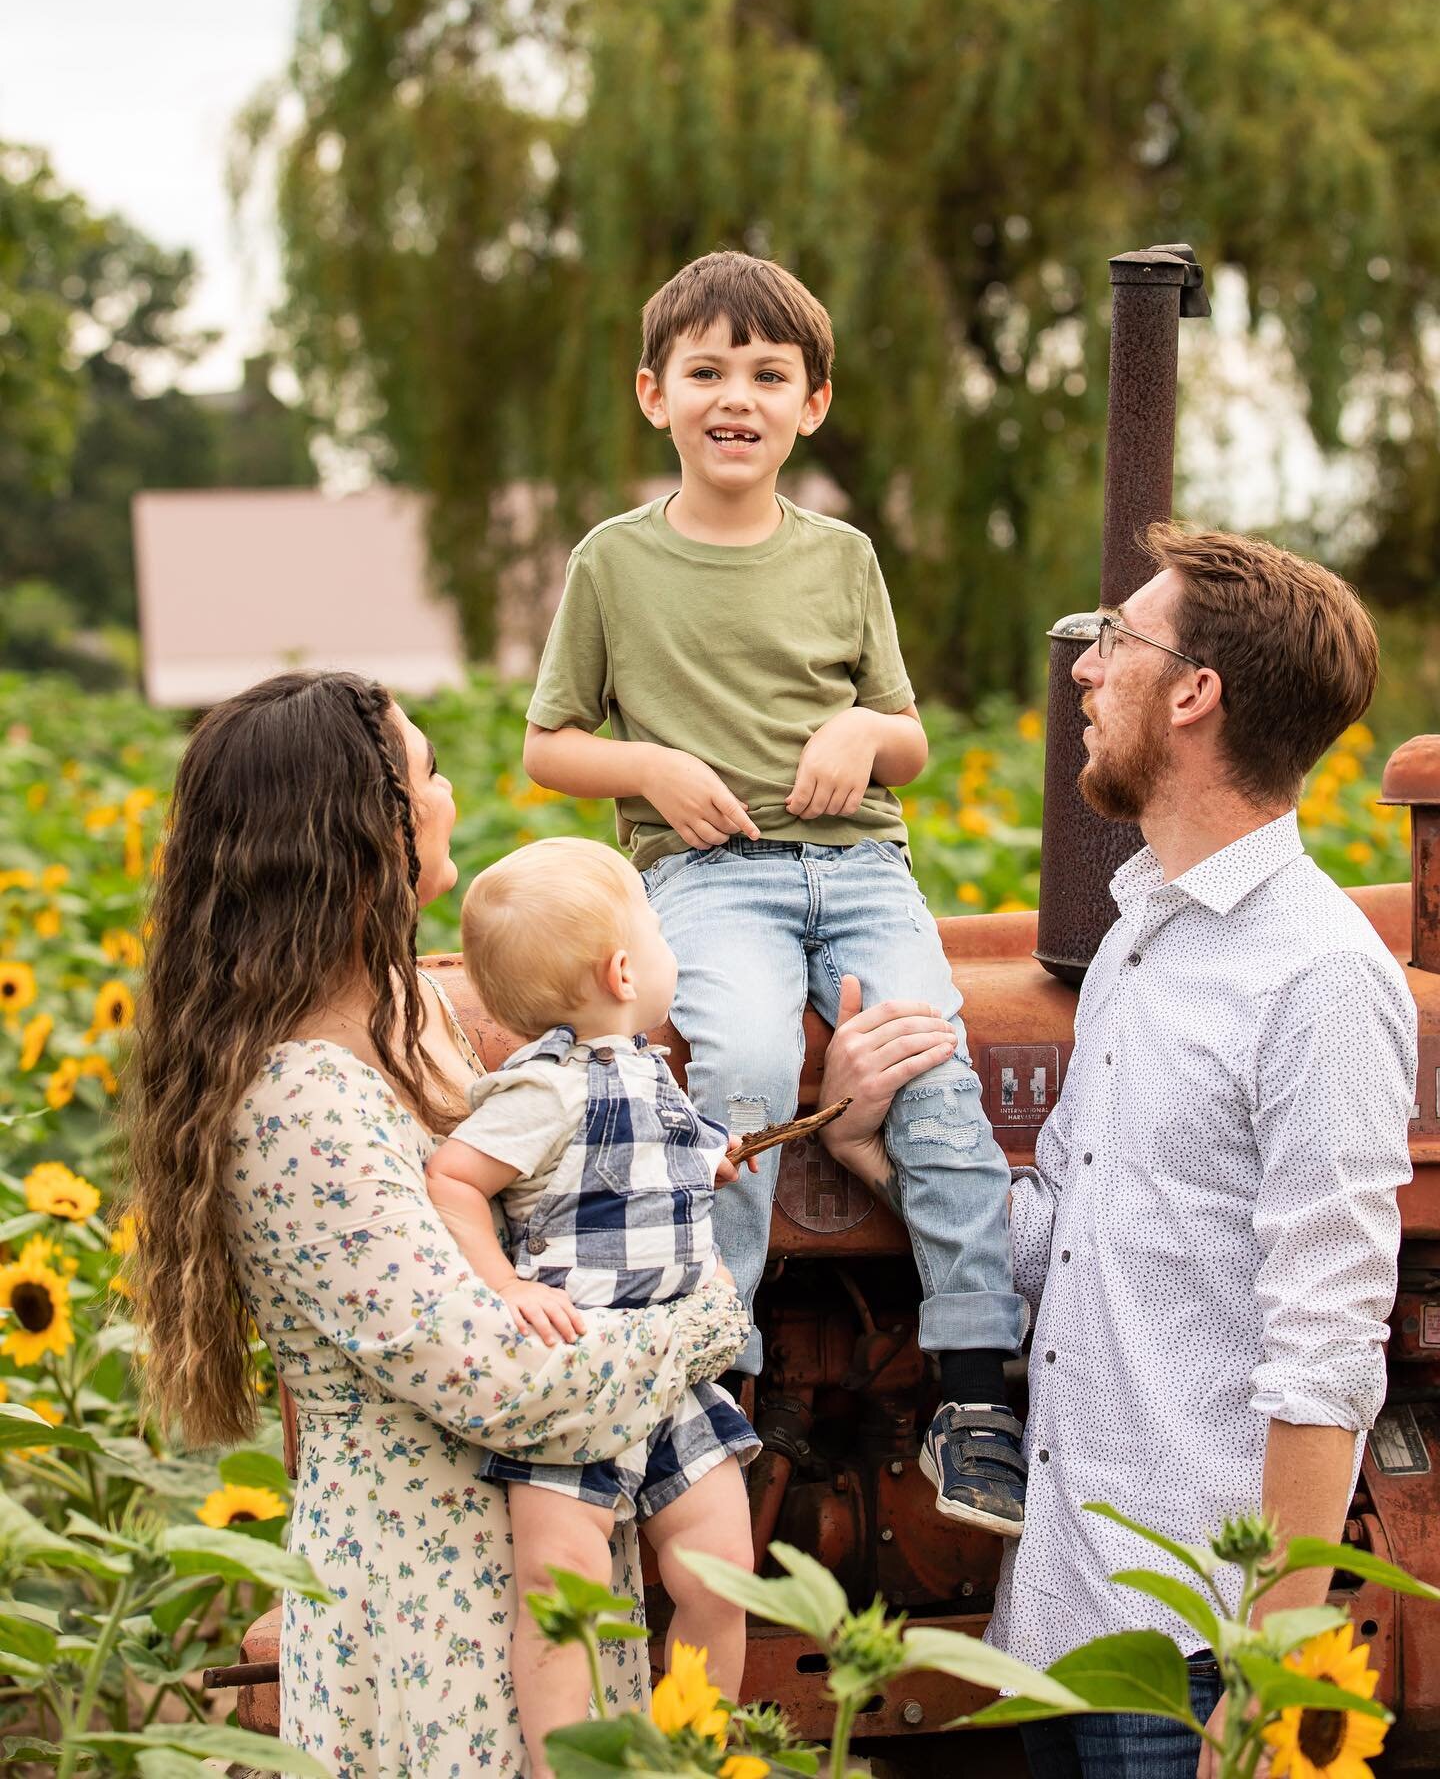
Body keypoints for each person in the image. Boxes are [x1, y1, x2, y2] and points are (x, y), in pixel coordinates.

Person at [821, 524, 1417, 1779]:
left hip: (1199, 1651)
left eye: (1117, 642)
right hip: (1072, 1618)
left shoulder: (1315, 977)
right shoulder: (1145, 936)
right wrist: (881, 1156)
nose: (1084, 672)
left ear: (1195, 693)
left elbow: (1329, 1342)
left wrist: (1268, 1677)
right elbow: (1074, 1245)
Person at [121, 671, 750, 1779]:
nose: (451, 795)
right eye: (428, 775)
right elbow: (506, 1382)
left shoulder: (411, 1016)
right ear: (368, 837)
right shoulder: (300, 1106)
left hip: (537, 1572)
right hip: (435, 1626)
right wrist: (705, 1318)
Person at [523, 249, 1027, 1536]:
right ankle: (722, 1368)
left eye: (768, 372)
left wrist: (864, 735)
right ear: (655, 395)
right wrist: (648, 764)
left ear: (813, 403)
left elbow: (906, 734)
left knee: (929, 1068)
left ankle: (975, 1389)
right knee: (740, 1060)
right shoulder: (613, 564)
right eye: (706, 370)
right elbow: (549, 744)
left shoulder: (844, 556)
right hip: (710, 875)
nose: (734, 394)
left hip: (861, 868)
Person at [425, 838, 759, 1775]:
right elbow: (454, 1179)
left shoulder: (652, 1070)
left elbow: (662, 1159)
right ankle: (562, 1765)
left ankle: (690, 1751)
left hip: (675, 1383)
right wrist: (508, 1285)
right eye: (656, 929)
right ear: (622, 969)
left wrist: (714, 1162)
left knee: (719, 1576)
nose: (666, 947)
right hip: (580, 1380)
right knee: (559, 1593)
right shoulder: (547, 1086)